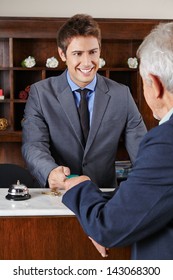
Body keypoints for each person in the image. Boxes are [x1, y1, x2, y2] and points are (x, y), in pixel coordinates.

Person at [62, 22, 173, 260]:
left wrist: (80, 187)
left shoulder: (167, 143)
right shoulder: (41, 92)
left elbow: (110, 228)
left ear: (155, 85)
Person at [21, 14, 146, 189]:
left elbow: (142, 151)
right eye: (78, 53)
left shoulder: (122, 94)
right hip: (57, 194)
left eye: (93, 52)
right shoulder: (40, 93)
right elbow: (33, 146)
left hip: (104, 196)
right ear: (62, 54)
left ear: (100, 50)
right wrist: (51, 172)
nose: (87, 62)